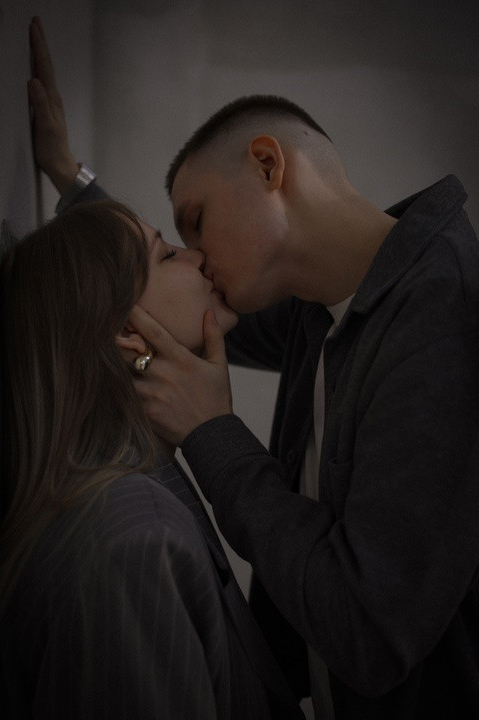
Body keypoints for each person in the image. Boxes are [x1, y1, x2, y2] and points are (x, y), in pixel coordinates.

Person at [28, 15, 479, 720]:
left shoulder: (444, 317)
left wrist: (215, 435)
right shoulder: (320, 308)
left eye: (196, 221)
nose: (195, 256)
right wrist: (71, 178)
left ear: (268, 166)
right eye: (176, 243)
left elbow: (371, 636)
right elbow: (142, 295)